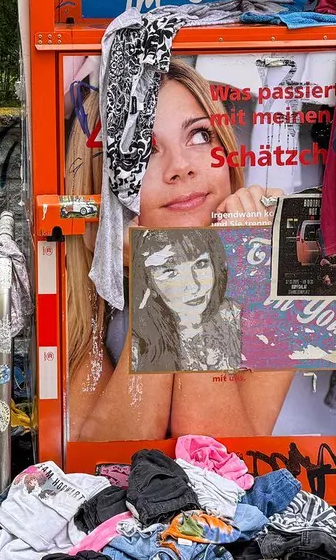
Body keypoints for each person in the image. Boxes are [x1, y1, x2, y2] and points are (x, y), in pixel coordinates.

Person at [66, 59, 291, 441]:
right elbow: (104, 457)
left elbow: (226, 456)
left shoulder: (271, 260)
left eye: (201, 136)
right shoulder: (78, 279)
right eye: (144, 151)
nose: (181, 168)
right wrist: (154, 277)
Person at [129, 229, 241, 373]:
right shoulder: (138, 347)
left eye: (201, 264)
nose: (194, 286)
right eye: (170, 272)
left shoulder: (234, 315)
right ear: (149, 283)